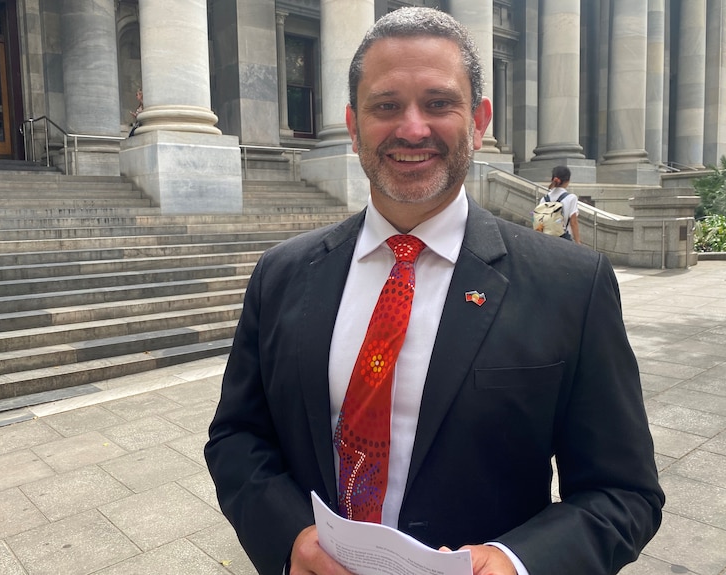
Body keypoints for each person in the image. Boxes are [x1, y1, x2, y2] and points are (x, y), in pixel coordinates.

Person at [205, 7, 663, 575]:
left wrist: (516, 563)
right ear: (352, 125)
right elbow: (236, 436)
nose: (413, 128)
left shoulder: (572, 286)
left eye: (440, 103)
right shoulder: (281, 274)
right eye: (386, 106)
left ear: (478, 121)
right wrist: (289, 539)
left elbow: (625, 493)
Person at [536, 165, 581, 243]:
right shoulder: (571, 198)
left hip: (547, 240)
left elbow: (540, 223)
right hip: (563, 241)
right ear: (568, 180)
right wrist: (578, 242)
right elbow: (573, 223)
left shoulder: (544, 199)